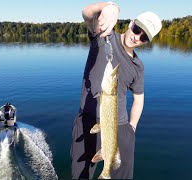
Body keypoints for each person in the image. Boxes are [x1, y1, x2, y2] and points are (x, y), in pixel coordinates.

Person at [71, 1, 162, 179]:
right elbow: (86, 13)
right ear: (131, 24)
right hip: (88, 121)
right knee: (80, 175)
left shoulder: (138, 67)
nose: (137, 37)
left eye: (143, 37)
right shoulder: (105, 36)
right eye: (137, 29)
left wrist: (132, 128)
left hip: (120, 126)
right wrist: (111, 6)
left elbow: (139, 100)